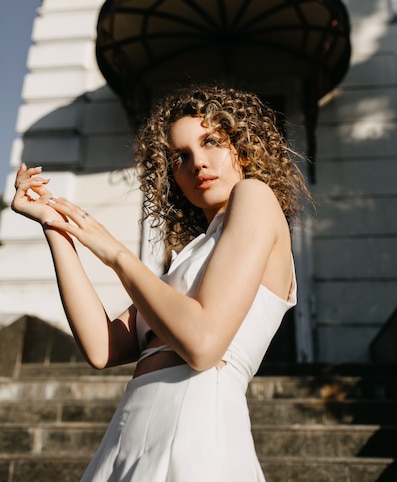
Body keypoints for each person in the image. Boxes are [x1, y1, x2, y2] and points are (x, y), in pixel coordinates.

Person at [12, 85, 310, 481]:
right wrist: (55, 227)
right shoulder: (192, 258)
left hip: (195, 427)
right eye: (180, 157)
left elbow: (203, 345)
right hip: (128, 434)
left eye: (211, 142)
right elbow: (103, 347)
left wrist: (116, 253)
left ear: (242, 148)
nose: (198, 163)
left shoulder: (254, 196)